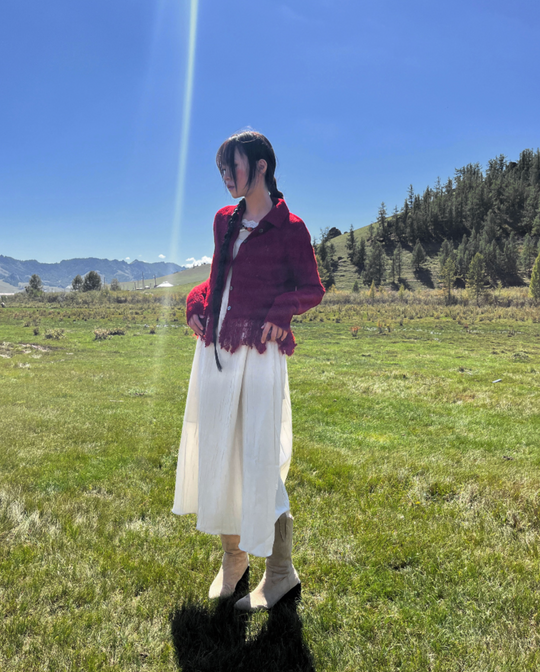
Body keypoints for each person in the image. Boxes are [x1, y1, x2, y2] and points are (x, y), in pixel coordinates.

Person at [172, 130, 325, 611]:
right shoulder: (224, 221)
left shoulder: (291, 227)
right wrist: (195, 301)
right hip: (216, 350)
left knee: (258, 454)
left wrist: (281, 312)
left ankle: (280, 573)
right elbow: (218, 277)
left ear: (261, 166)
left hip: (259, 354)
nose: (225, 176)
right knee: (218, 447)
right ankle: (233, 558)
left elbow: (311, 288)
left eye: (232, 166)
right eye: (221, 169)